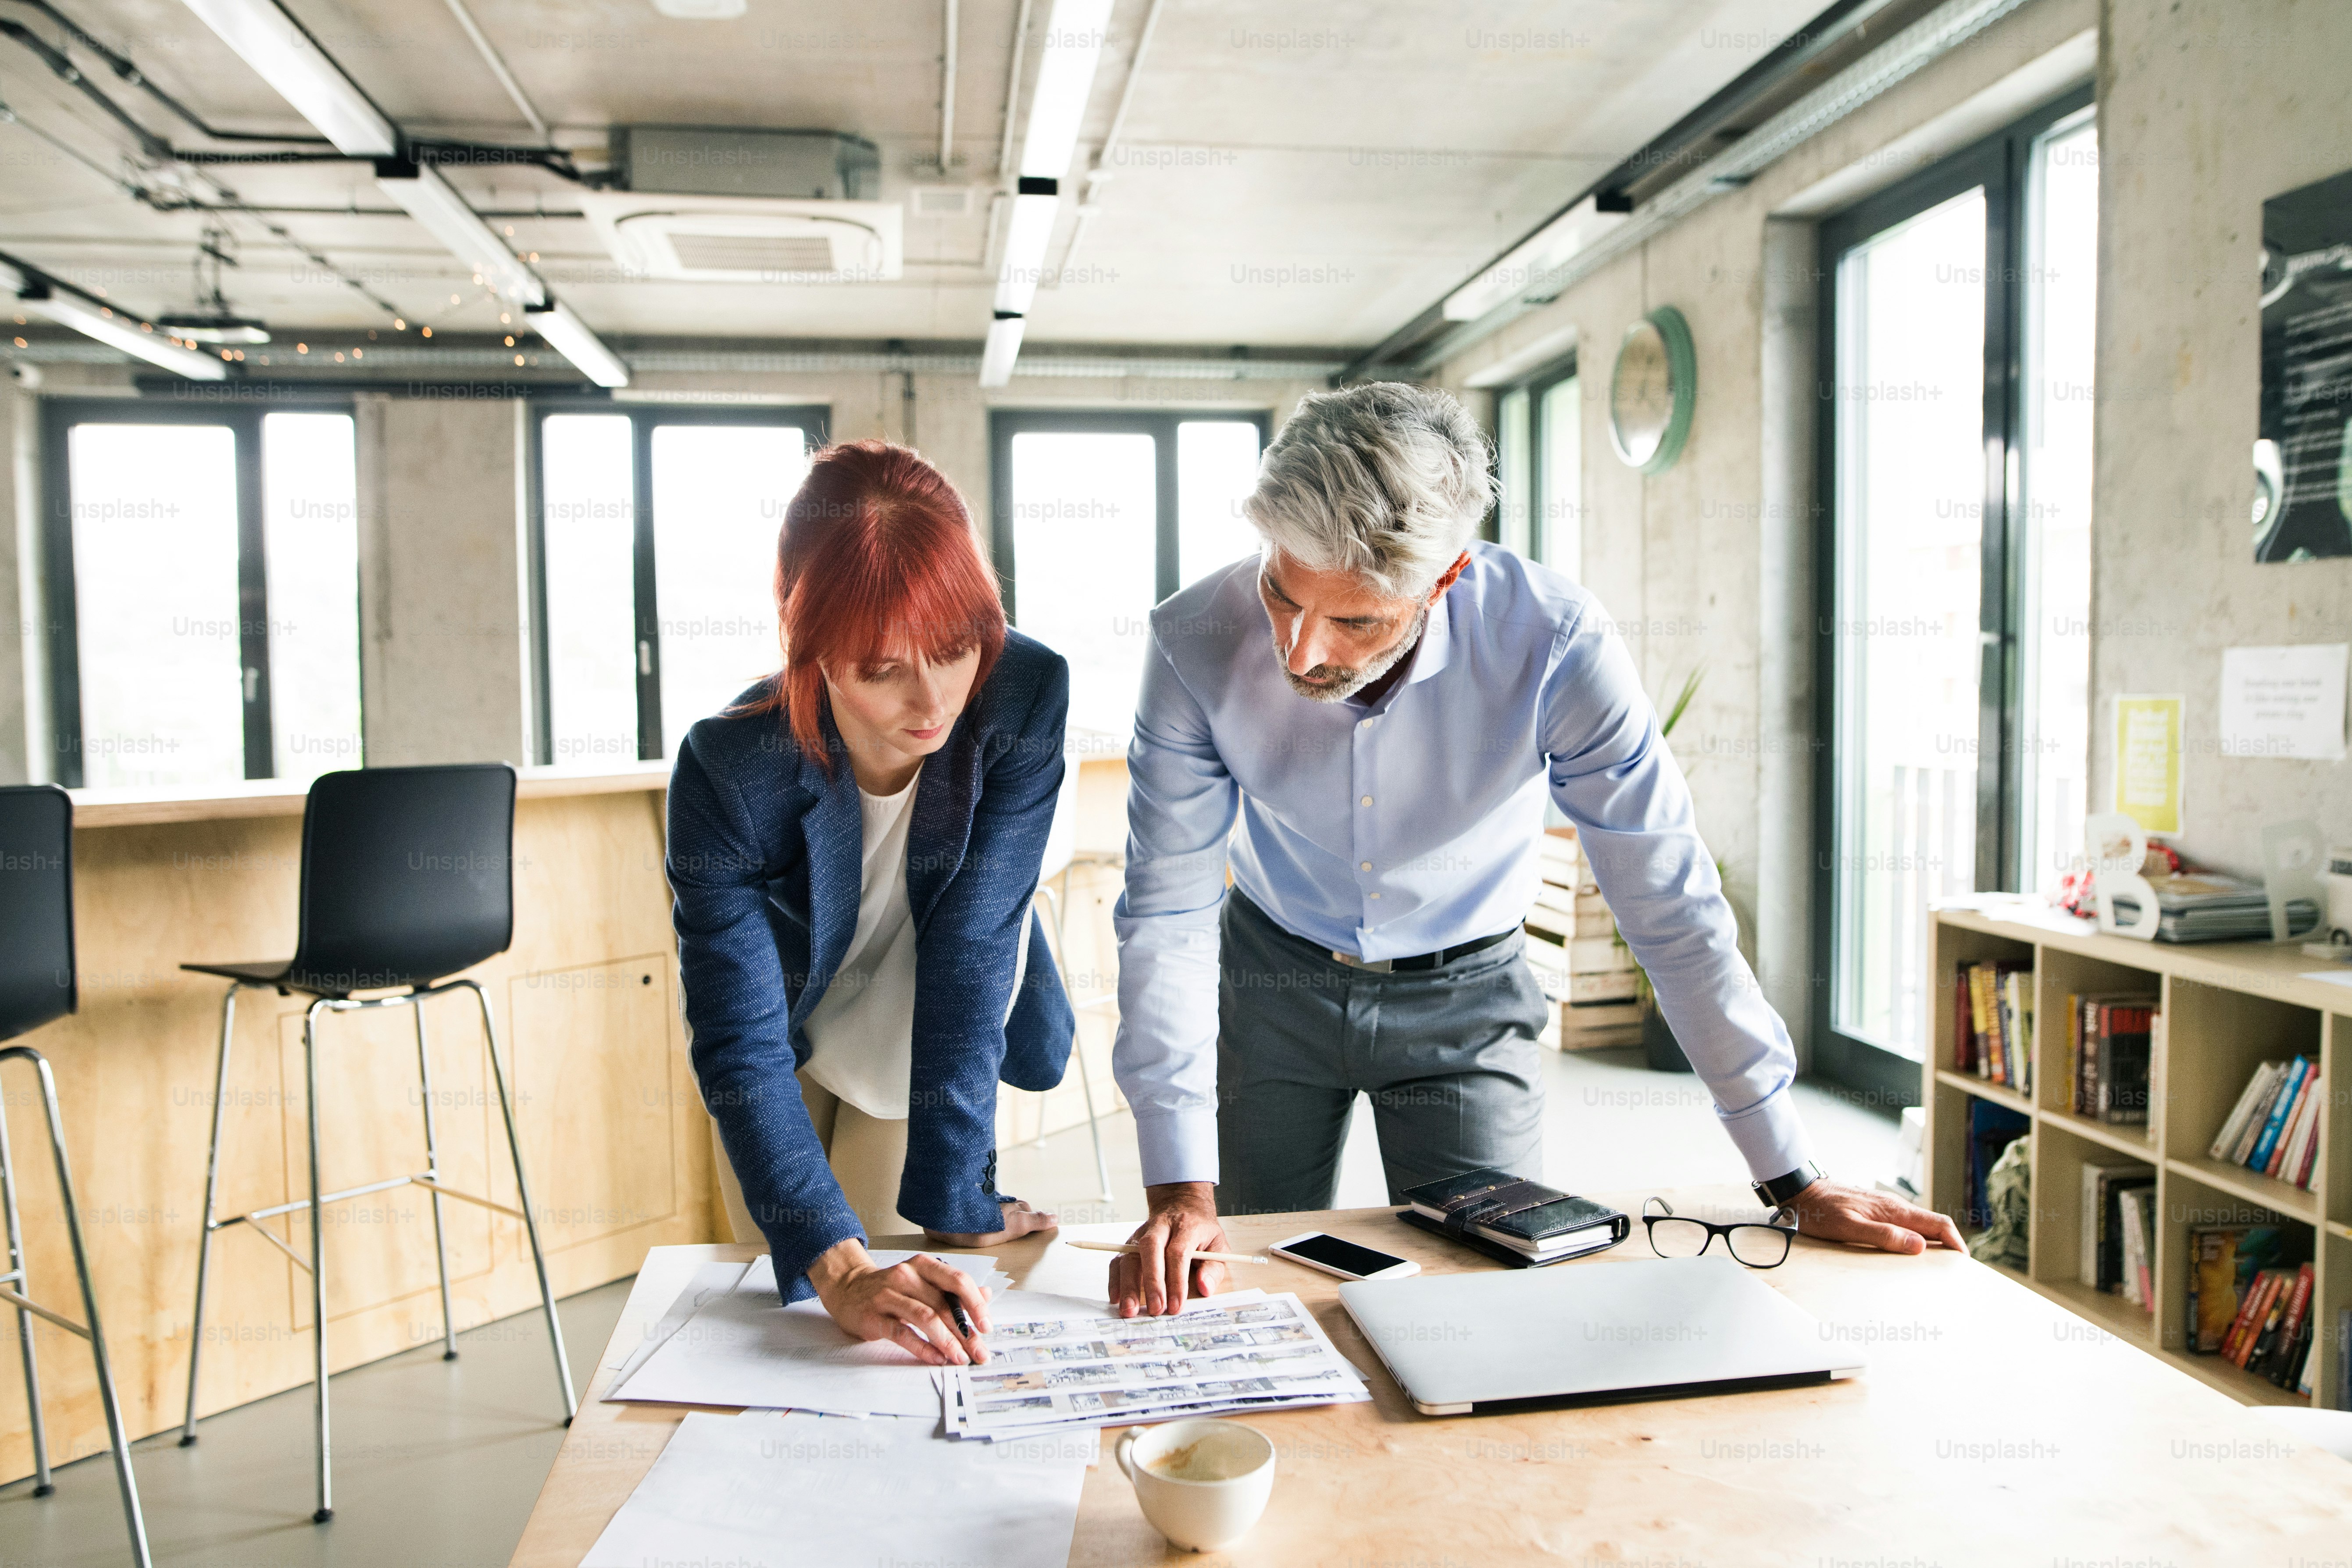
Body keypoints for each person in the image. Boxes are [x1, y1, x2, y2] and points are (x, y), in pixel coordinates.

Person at [1106, 383, 1964, 1318]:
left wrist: (1790, 1174)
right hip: (1269, 981)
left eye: (1355, 621)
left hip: (1467, 998)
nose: (1301, 653)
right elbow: (1168, 914)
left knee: (1487, 1303)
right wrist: (1175, 1192)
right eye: (1281, 592)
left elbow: (1669, 904)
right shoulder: (1193, 639)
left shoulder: (1553, 643)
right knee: (1238, 1281)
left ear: (1443, 581)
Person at [667, 439, 1073, 1365]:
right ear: (811, 652)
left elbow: (976, 940)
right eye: (882, 670)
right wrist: (834, 1266)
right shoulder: (730, 771)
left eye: (954, 647)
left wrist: (963, 1197)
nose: (933, 701)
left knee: (899, 1327)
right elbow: (741, 1039)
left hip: (917, 1014)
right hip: (784, 1025)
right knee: (806, 1309)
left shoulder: (1023, 691)